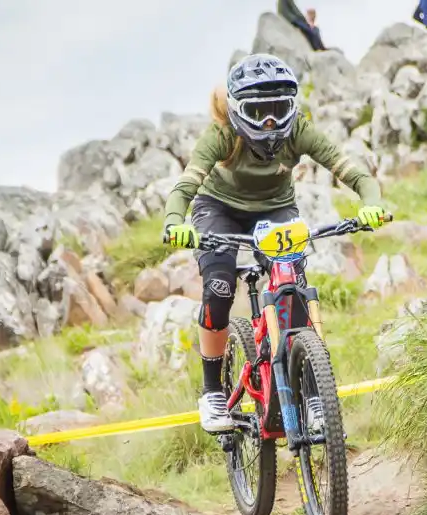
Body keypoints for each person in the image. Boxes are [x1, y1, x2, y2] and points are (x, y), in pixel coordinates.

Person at [162, 54, 386, 432]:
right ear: (236, 110)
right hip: (219, 210)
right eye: (258, 110)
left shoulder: (298, 129)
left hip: (276, 210)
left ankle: (315, 398)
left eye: (278, 108)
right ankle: (212, 392)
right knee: (218, 288)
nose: (269, 121)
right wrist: (174, 222)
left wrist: (372, 203)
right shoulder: (221, 135)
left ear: (291, 106)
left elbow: (349, 169)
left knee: (294, 290)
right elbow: (186, 185)